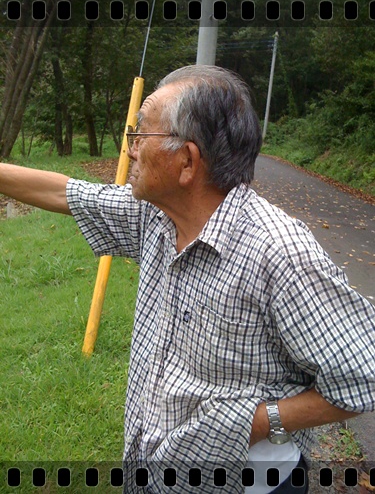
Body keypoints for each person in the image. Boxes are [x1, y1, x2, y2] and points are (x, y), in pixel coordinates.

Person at [0, 65, 374, 493]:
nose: (131, 150)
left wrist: (256, 421)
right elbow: (65, 192)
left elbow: (363, 375)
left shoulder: (279, 251)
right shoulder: (155, 217)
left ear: (187, 161)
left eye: (141, 136)